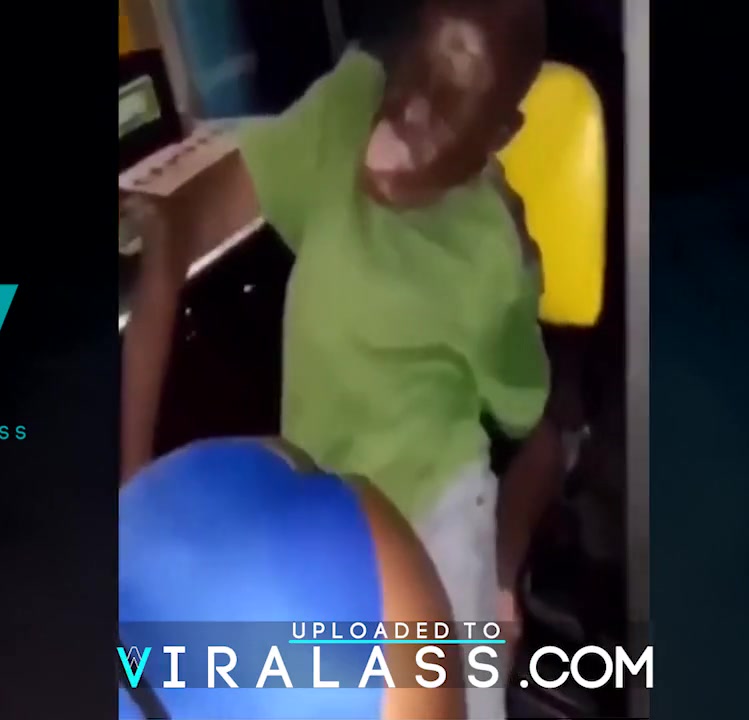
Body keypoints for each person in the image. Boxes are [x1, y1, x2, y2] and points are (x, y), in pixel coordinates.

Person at [122, 1, 567, 716]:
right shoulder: (347, 108)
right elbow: (176, 231)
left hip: (432, 519)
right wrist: (131, 490)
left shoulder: (491, 254)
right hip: (315, 510)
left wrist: (503, 577)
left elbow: (532, 425)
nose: (402, 130)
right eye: (406, 87)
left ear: (499, 136)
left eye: (444, 122)